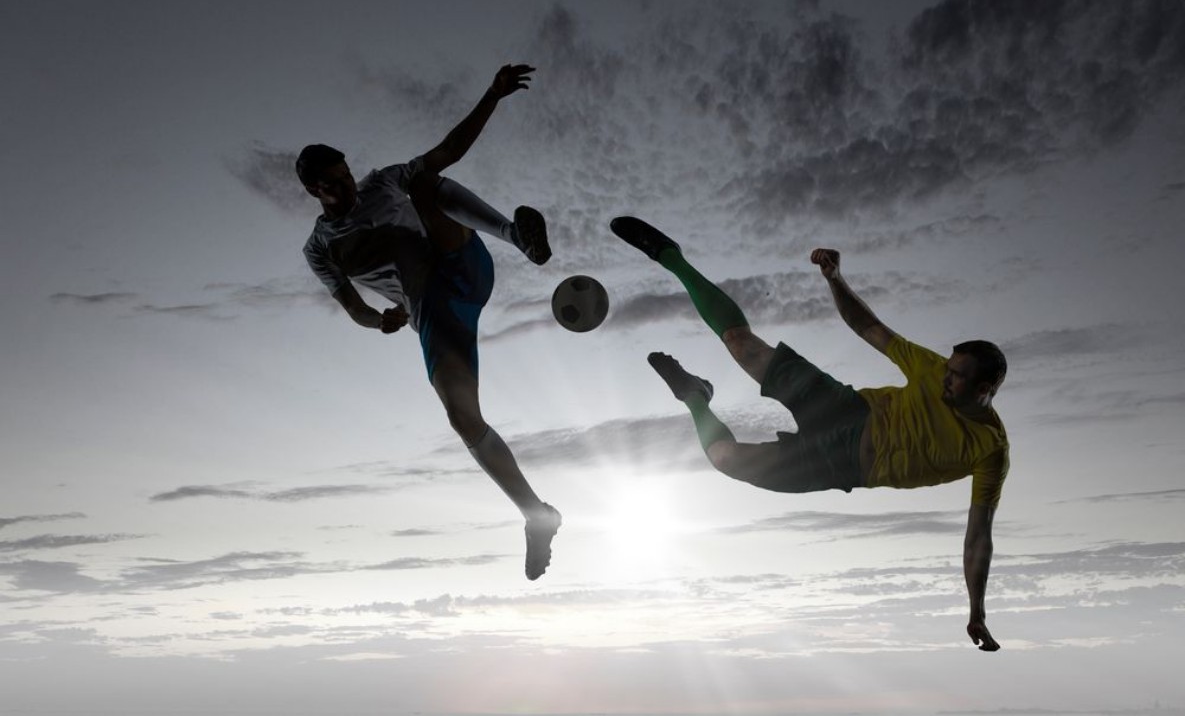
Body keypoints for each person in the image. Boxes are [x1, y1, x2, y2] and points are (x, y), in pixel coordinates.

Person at [611, 216, 1009, 650]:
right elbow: (869, 327)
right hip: (844, 409)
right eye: (948, 367)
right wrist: (835, 279)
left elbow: (978, 536)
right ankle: (670, 256)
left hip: (839, 465)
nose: (945, 376)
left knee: (724, 458)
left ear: (985, 389)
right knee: (742, 345)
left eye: (957, 376)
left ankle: (694, 396)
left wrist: (976, 610)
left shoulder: (990, 450)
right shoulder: (932, 368)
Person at [297, 64, 561, 580]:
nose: (347, 186)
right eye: (334, 184)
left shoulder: (382, 183)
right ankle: (537, 515)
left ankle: (516, 236)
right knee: (463, 419)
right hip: (434, 313)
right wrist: (380, 320)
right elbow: (352, 306)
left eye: (347, 175)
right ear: (314, 190)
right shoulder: (319, 247)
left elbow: (449, 150)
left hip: (459, 263)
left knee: (421, 180)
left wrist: (493, 95)